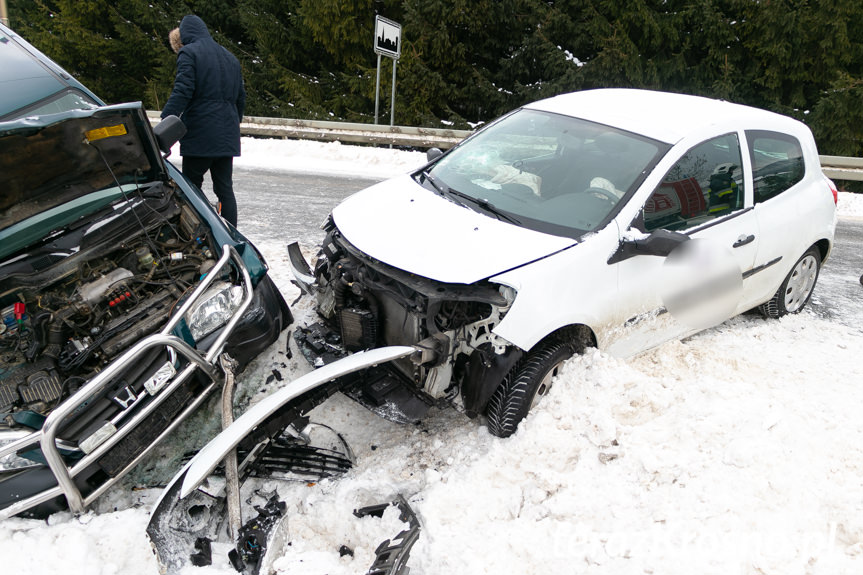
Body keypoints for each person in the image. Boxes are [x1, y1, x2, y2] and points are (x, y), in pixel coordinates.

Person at [162, 15, 245, 227]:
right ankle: (231, 233)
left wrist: (165, 121)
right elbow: (240, 98)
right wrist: (232, 125)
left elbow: (183, 91)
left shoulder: (189, 52)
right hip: (227, 135)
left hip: (201, 134)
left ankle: (199, 232)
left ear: (185, 35)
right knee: (225, 189)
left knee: (191, 188)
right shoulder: (230, 57)